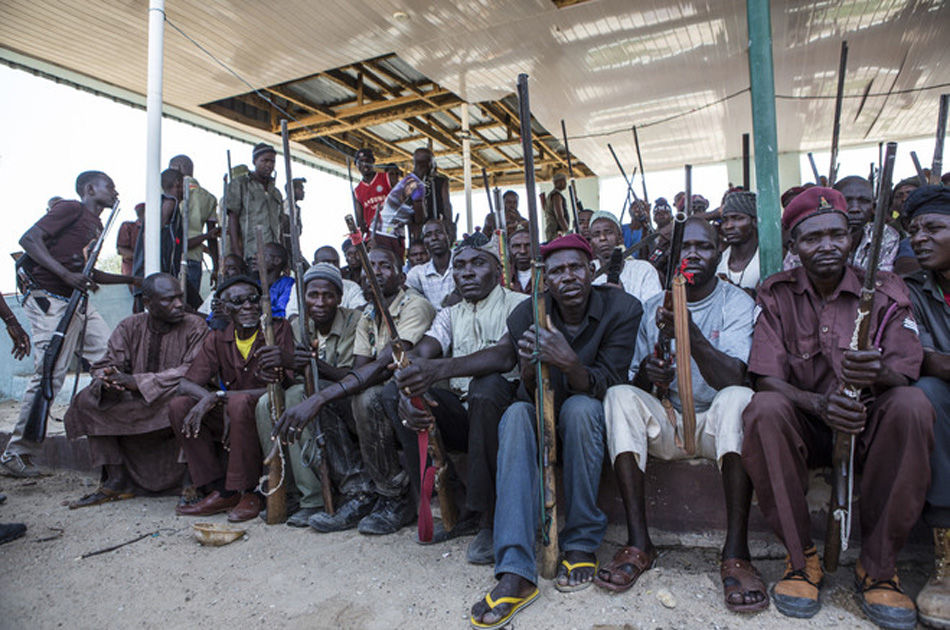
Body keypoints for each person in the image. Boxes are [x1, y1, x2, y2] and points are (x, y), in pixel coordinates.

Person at [741, 187, 933, 628]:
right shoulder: (776, 293)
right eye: (812, 238)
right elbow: (765, 376)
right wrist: (817, 404)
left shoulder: (884, 290)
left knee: (911, 405)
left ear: (852, 238)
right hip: (805, 425)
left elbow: (905, 372)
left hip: (868, 425)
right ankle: (801, 559)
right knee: (763, 409)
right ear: (794, 247)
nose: (827, 246)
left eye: (836, 235)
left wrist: (877, 369)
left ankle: (879, 567)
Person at [469, 234, 641, 628]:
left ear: (591, 270)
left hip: (589, 425)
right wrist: (531, 369)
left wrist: (568, 362)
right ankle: (515, 567)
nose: (568, 278)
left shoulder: (621, 309)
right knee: (514, 415)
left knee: (581, 409)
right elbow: (524, 388)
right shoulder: (525, 314)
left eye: (576, 268)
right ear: (546, 279)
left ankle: (580, 542)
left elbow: (612, 382)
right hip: (539, 417)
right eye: (558, 271)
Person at [596, 218, 766, 612]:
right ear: (673, 255)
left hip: (714, 426)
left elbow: (734, 376)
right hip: (669, 421)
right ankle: (640, 543)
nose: (693, 253)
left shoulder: (736, 302)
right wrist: (648, 374)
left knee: (740, 397)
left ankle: (736, 552)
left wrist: (690, 332)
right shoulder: (653, 306)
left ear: (718, 251)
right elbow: (635, 380)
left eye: (703, 246)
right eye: (685, 246)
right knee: (619, 396)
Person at [275, 247, 435, 535]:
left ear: (401, 274)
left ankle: (393, 496)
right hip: (383, 397)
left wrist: (321, 396)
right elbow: (359, 372)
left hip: (414, 399)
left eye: (384, 265)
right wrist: (318, 391)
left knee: (364, 397)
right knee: (330, 393)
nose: (374, 272)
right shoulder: (369, 315)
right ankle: (359, 491)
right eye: (368, 266)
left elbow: (382, 365)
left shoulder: (414, 305)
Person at [389, 233, 527, 562]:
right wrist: (407, 380)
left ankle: (491, 520)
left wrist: (438, 370)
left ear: (497, 270)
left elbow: (504, 356)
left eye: (477, 263)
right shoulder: (451, 313)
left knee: (487, 386)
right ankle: (457, 500)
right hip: (468, 414)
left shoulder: (518, 304)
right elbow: (423, 352)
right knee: (393, 395)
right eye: (459, 266)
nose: (466, 272)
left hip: (507, 415)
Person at [1, 172, 137, 478]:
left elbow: (88, 271)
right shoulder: (70, 209)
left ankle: (123, 432)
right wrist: (64, 276)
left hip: (76, 301)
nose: (114, 191)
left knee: (112, 355)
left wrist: (133, 279)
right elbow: (29, 240)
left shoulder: (97, 224)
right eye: (108, 186)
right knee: (50, 372)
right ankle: (16, 453)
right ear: (89, 190)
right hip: (50, 298)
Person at [63, 273, 207, 507]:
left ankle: (190, 483)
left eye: (179, 297)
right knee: (87, 400)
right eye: (169, 300)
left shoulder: (195, 325)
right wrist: (108, 379)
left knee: (186, 399)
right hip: (137, 399)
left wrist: (137, 381)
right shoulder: (130, 325)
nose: (179, 304)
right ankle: (117, 481)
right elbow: (108, 362)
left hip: (171, 394)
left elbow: (192, 369)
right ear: (148, 303)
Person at [169, 275, 296, 522]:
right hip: (233, 414)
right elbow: (186, 383)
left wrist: (219, 396)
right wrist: (212, 400)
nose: (247, 306)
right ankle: (218, 488)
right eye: (238, 302)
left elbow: (283, 385)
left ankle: (249, 492)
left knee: (239, 404)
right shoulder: (219, 337)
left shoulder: (277, 329)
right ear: (224, 308)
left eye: (252, 300)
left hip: (269, 416)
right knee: (179, 406)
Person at [254, 263, 371, 527]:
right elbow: (294, 376)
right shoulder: (299, 325)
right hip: (312, 393)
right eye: (313, 295)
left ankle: (313, 497)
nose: (320, 302)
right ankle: (287, 489)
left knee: (298, 398)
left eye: (328, 295)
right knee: (265, 403)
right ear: (303, 298)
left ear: (339, 298)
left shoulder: (355, 321)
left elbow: (353, 377)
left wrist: (309, 364)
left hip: (344, 399)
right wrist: (277, 369)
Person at [902, 185, 950, 628]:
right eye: (914, 230)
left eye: (933, 228)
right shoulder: (914, 289)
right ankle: (946, 562)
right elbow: (924, 356)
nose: (919, 238)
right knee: (926, 394)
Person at [783, 176, 900, 273]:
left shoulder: (884, 235)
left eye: (863, 201)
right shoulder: (808, 240)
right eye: (847, 200)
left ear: (873, 207)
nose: (855, 209)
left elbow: (884, 281)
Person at [169, 154, 220, 309]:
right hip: (195, 259)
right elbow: (213, 237)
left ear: (177, 169)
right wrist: (216, 267)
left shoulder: (168, 193)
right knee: (189, 308)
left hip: (172, 257)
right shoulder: (208, 198)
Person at [131, 168, 185, 312]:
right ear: (178, 184)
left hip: (146, 269)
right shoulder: (169, 202)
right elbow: (152, 233)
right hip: (152, 270)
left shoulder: (159, 203)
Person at [587, 211, 661, 305]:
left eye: (609, 232)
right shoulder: (586, 273)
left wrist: (623, 298)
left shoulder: (644, 270)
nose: (602, 238)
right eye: (596, 234)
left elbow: (653, 312)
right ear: (591, 243)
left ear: (620, 238)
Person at [226, 143, 283, 264]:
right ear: (254, 161)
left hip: (274, 257)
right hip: (251, 253)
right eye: (265, 161)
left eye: (272, 162)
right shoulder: (241, 184)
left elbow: (280, 225)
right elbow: (233, 218)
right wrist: (236, 251)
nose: (269, 165)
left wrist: (284, 256)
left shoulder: (276, 192)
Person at [406, 219, 457, 310]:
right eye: (428, 235)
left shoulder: (462, 262)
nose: (434, 238)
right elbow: (403, 290)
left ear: (449, 236)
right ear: (424, 242)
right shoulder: (419, 273)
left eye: (439, 232)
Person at [716, 191, 760, 291]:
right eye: (725, 220)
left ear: (755, 221)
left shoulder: (767, 260)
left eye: (738, 218)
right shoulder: (718, 258)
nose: (728, 226)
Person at [412, 147, 454, 242]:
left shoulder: (440, 181)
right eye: (419, 163)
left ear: (431, 163)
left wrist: (449, 226)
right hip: (417, 230)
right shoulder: (410, 183)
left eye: (425, 163)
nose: (422, 167)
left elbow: (446, 205)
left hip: (436, 225)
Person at [353, 148, 396, 234]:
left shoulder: (388, 178)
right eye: (361, 162)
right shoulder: (357, 192)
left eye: (367, 161)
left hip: (391, 231)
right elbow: (360, 222)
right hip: (372, 237)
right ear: (357, 165)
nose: (365, 164)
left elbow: (403, 200)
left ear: (373, 162)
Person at [256, 242, 294, 319]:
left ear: (277, 261)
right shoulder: (256, 284)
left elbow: (283, 312)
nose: (256, 257)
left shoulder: (288, 284)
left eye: (263, 255)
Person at [116, 203, 143, 278]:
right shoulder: (128, 226)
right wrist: (142, 257)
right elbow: (121, 250)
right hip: (133, 273)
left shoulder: (158, 229)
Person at [543, 172, 570, 242]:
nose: (565, 184)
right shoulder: (556, 195)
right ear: (557, 182)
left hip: (553, 231)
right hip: (556, 232)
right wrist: (568, 232)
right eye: (564, 181)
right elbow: (559, 216)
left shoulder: (552, 195)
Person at [507, 226, 533, 295]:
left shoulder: (546, 275)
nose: (523, 251)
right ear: (509, 249)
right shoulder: (503, 277)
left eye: (528, 245)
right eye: (517, 246)